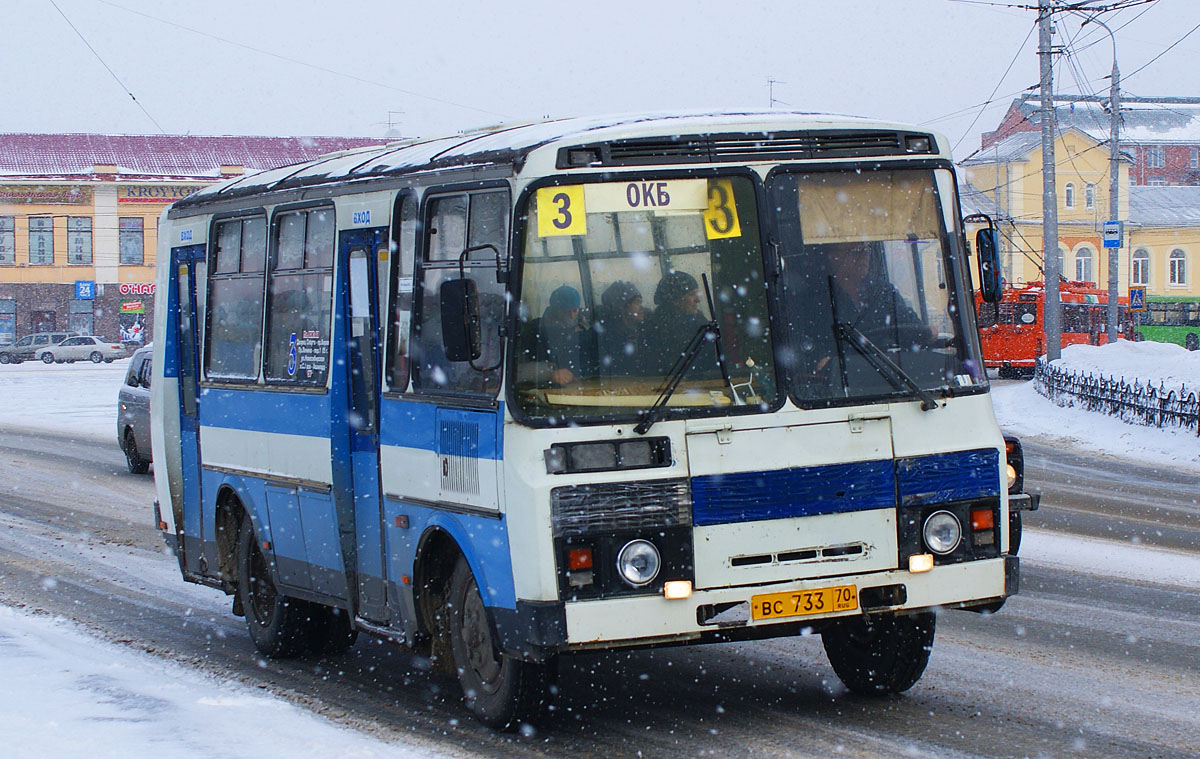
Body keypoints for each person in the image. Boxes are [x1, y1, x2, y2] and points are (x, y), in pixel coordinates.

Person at [640, 270, 712, 376]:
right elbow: (654, 373)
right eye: (691, 294)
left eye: (697, 293)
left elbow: (708, 366)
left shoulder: (701, 325)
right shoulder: (653, 329)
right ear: (675, 300)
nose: (698, 300)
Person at [520, 284, 586, 385]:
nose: (571, 315)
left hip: (584, 389)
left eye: (574, 310)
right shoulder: (535, 331)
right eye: (565, 311)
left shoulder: (585, 330)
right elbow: (519, 370)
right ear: (555, 310)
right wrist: (549, 374)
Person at [593, 281, 645, 376]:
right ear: (621, 306)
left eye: (641, 302)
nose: (642, 308)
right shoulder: (607, 340)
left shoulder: (645, 332)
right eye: (637, 302)